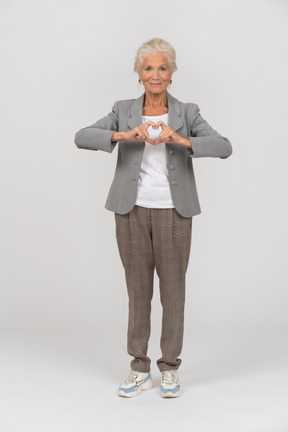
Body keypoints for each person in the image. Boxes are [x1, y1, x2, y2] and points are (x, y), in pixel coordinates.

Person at [74, 37, 232, 398]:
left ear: (172, 72)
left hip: (174, 212)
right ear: (138, 74)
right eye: (148, 68)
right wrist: (123, 134)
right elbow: (82, 136)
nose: (155, 74)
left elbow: (224, 146)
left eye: (162, 67)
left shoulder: (187, 112)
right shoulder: (123, 109)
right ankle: (139, 367)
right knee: (138, 291)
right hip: (130, 210)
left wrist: (183, 140)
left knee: (173, 292)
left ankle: (170, 368)